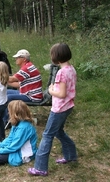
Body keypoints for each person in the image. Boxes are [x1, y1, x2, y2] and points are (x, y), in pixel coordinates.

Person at [28, 43, 77, 177]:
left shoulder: (61, 73)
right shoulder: (71, 69)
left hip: (59, 108)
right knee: (59, 132)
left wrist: (51, 90)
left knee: (47, 135)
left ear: (56, 56)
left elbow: (61, 94)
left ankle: (40, 168)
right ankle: (71, 155)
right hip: (68, 106)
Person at [3, 49, 43, 126]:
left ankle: (6, 121)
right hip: (27, 92)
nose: (16, 59)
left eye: (18, 57)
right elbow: (19, 84)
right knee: (5, 92)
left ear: (24, 59)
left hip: (32, 96)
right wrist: (4, 81)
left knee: (7, 98)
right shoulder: (28, 66)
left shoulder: (26, 68)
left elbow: (11, 79)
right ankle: (9, 117)